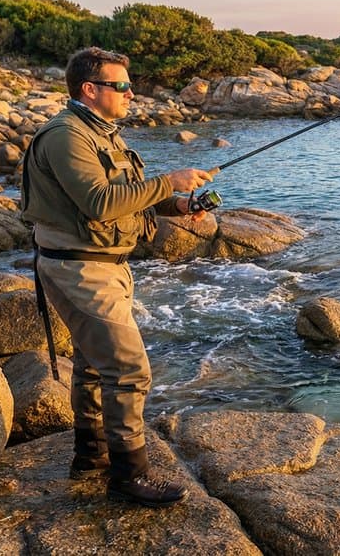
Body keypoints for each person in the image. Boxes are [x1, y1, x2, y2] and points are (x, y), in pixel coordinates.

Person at [20, 47, 212, 507]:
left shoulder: (99, 134)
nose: (132, 93)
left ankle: (92, 455)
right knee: (128, 369)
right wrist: (169, 182)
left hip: (105, 265)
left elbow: (126, 194)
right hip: (79, 268)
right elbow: (100, 203)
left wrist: (179, 205)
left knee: (93, 364)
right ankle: (131, 474)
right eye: (121, 85)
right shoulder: (66, 136)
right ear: (91, 89)